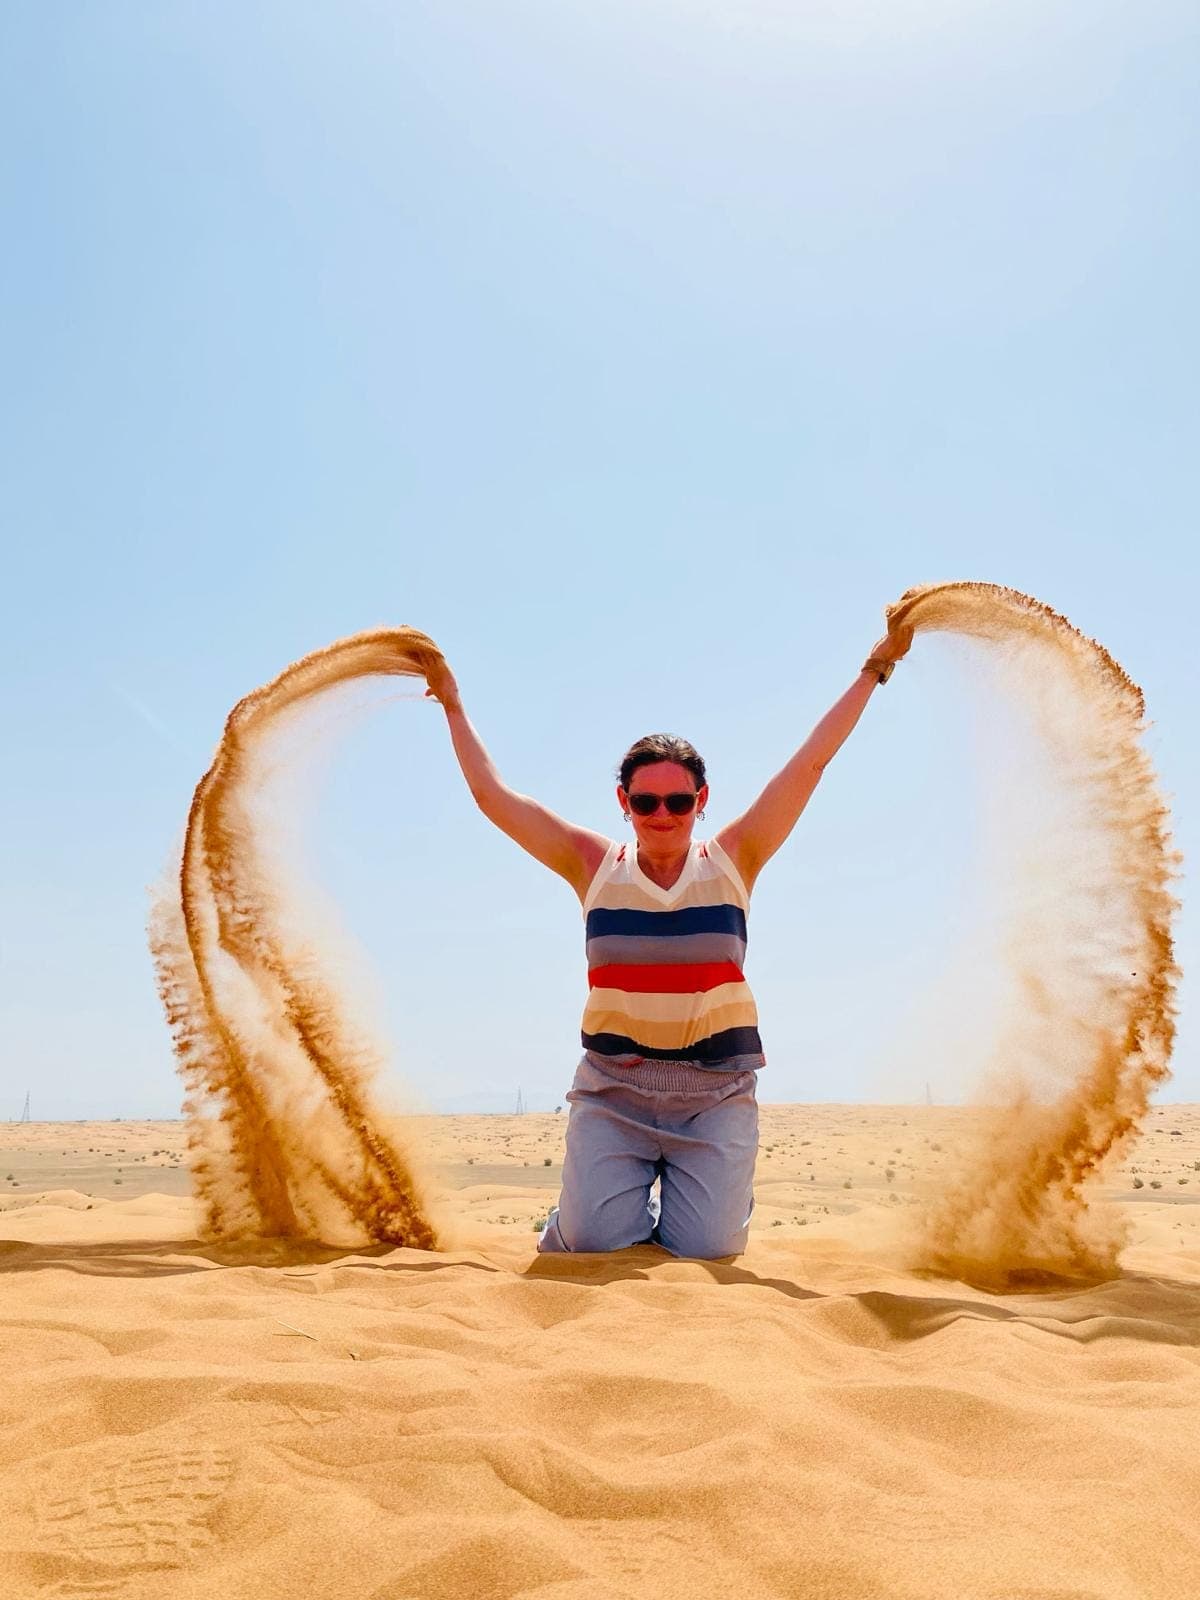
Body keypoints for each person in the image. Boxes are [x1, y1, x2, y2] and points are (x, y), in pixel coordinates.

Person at [423, 625, 913, 1259]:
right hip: (613, 1090)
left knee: (707, 1250)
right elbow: (493, 797)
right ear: (623, 801)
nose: (662, 814)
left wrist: (875, 668)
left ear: (701, 800)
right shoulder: (592, 864)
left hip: (714, 1095)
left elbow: (811, 762)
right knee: (592, 1244)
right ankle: (586, 1205)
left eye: (678, 800)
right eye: (646, 800)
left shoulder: (736, 858)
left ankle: (716, 1199)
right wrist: (453, 702)